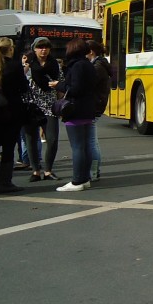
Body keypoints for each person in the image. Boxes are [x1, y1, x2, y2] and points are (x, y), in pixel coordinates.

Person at [0, 37, 30, 194]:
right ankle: (5, 182)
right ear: (10, 49)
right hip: (11, 111)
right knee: (8, 147)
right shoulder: (14, 66)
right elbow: (24, 88)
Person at [56, 37, 100, 193]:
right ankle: (85, 178)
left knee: (77, 147)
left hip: (75, 109)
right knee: (86, 146)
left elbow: (74, 89)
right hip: (88, 109)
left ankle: (77, 180)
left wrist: (59, 85)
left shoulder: (76, 66)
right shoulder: (89, 65)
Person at [26, 36, 62, 180]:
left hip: (50, 104)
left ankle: (48, 170)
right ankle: (35, 170)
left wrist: (61, 103)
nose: (43, 50)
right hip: (31, 105)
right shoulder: (28, 65)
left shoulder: (55, 64)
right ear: (34, 49)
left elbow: (61, 83)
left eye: (46, 47)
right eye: (40, 47)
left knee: (52, 139)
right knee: (31, 138)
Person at [87, 39, 112, 182]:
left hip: (94, 106)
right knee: (92, 141)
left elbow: (87, 84)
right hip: (97, 105)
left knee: (91, 141)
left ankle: (94, 172)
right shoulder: (99, 64)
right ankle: (94, 171)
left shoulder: (97, 67)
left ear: (90, 52)